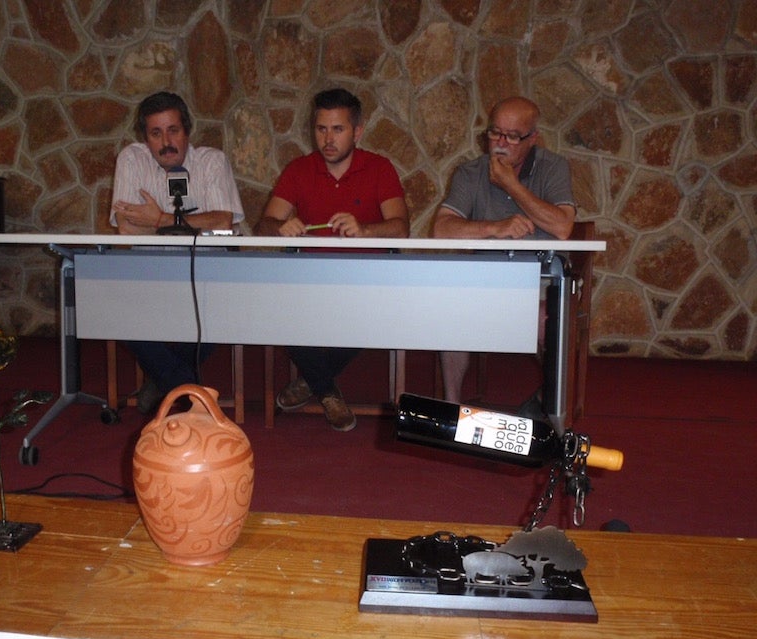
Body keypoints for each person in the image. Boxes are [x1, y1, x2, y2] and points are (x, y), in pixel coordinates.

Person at [256, 88, 409, 431]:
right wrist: (282, 226)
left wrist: (365, 229)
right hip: (307, 277)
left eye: (337, 129)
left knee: (372, 311)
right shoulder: (299, 169)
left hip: (365, 280)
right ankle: (326, 390)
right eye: (321, 129)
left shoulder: (379, 168)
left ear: (357, 131)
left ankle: (313, 382)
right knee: (279, 306)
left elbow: (401, 228)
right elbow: (263, 224)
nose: (327, 138)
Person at [431, 96, 576, 405]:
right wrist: (494, 227)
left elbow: (563, 227)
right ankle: (452, 407)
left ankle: (553, 405)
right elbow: (442, 229)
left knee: (543, 320)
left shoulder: (553, 167)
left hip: (541, 281)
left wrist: (512, 185)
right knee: (452, 312)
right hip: (485, 280)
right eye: (495, 133)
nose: (500, 143)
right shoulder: (470, 172)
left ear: (532, 138)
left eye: (512, 136)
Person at [110, 91, 245, 413]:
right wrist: (192, 223)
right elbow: (127, 227)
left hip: (208, 275)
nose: (166, 142)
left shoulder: (211, 161)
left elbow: (223, 221)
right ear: (145, 138)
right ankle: (192, 397)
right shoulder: (132, 159)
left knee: (222, 314)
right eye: (156, 133)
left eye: (173, 130)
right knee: (117, 315)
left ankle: (163, 382)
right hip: (151, 275)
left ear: (188, 131)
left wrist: (159, 220)